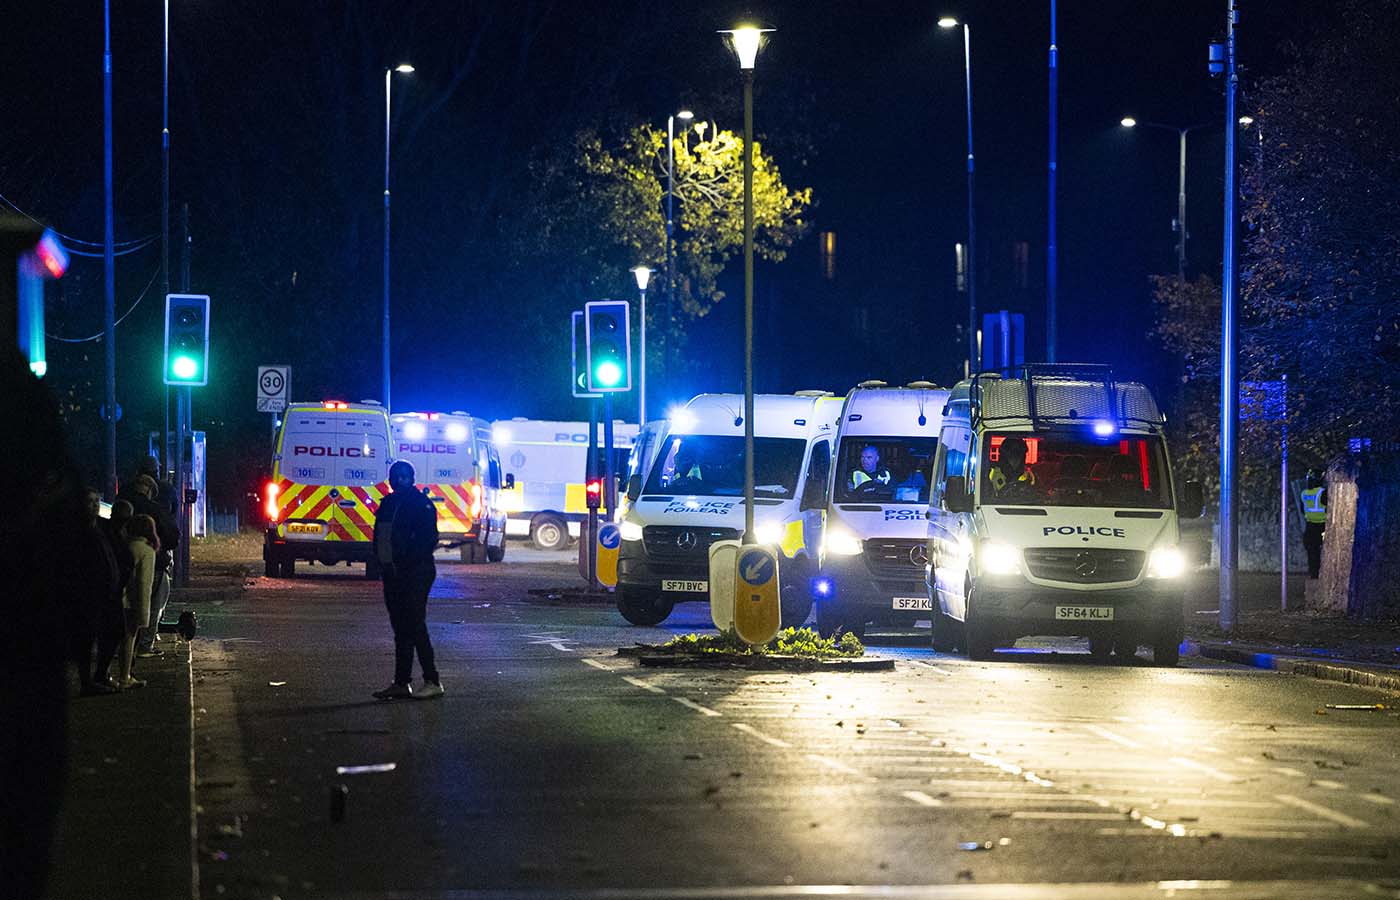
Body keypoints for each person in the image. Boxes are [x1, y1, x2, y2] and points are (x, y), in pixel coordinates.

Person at [371, 460, 443, 700]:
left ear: (411, 478)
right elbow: (381, 536)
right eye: (395, 476)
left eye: (404, 476)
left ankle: (432, 680)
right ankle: (402, 682)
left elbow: (427, 540)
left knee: (414, 623)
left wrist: (405, 562)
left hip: (415, 572)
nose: (399, 480)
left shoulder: (420, 504)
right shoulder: (389, 503)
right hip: (392, 573)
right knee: (401, 627)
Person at [119, 474, 179, 657]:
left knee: (125, 606)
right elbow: (171, 535)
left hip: (120, 563)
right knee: (153, 603)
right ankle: (145, 646)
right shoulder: (154, 509)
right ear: (150, 490)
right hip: (153, 563)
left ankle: (123, 648)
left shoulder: (121, 504)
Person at [119, 515, 160, 690]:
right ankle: (125, 676)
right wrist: (144, 613)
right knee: (129, 639)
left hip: (119, 600)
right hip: (132, 603)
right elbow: (144, 583)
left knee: (122, 640)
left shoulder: (126, 546)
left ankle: (121, 674)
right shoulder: (146, 551)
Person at [1301, 469, 1328, 579]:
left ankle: (1314, 575)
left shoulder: (1304, 493)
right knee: (1324, 552)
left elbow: (1303, 510)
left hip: (1310, 527)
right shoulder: (1322, 492)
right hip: (1322, 527)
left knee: (1312, 553)